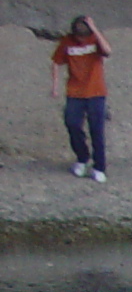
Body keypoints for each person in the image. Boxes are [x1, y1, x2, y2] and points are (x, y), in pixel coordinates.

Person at [48, 17, 108, 185]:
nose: (81, 40)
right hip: (75, 92)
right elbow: (55, 62)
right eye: (79, 37)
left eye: (84, 36)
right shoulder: (67, 42)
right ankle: (82, 158)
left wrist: (95, 30)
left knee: (97, 130)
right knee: (72, 123)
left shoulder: (95, 39)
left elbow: (108, 51)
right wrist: (55, 86)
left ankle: (99, 167)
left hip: (96, 92)